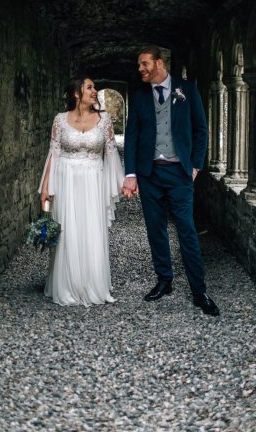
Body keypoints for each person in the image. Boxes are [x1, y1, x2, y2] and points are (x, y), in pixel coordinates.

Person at [122, 46, 219, 316]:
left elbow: (201, 129)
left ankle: (199, 290)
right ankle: (164, 280)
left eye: (144, 64)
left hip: (179, 173)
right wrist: (130, 174)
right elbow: (131, 136)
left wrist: (196, 164)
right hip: (149, 172)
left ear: (159, 63)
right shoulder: (140, 95)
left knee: (186, 229)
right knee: (156, 229)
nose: (140, 69)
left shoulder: (187, 90)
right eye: (139, 65)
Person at [39, 77, 124, 307]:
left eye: (93, 87)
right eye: (89, 87)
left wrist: (120, 183)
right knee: (67, 230)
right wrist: (46, 187)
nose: (94, 91)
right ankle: (68, 285)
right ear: (77, 93)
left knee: (91, 229)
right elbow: (53, 153)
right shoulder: (60, 120)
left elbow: (111, 152)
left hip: (93, 180)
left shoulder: (104, 120)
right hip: (66, 179)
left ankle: (92, 284)